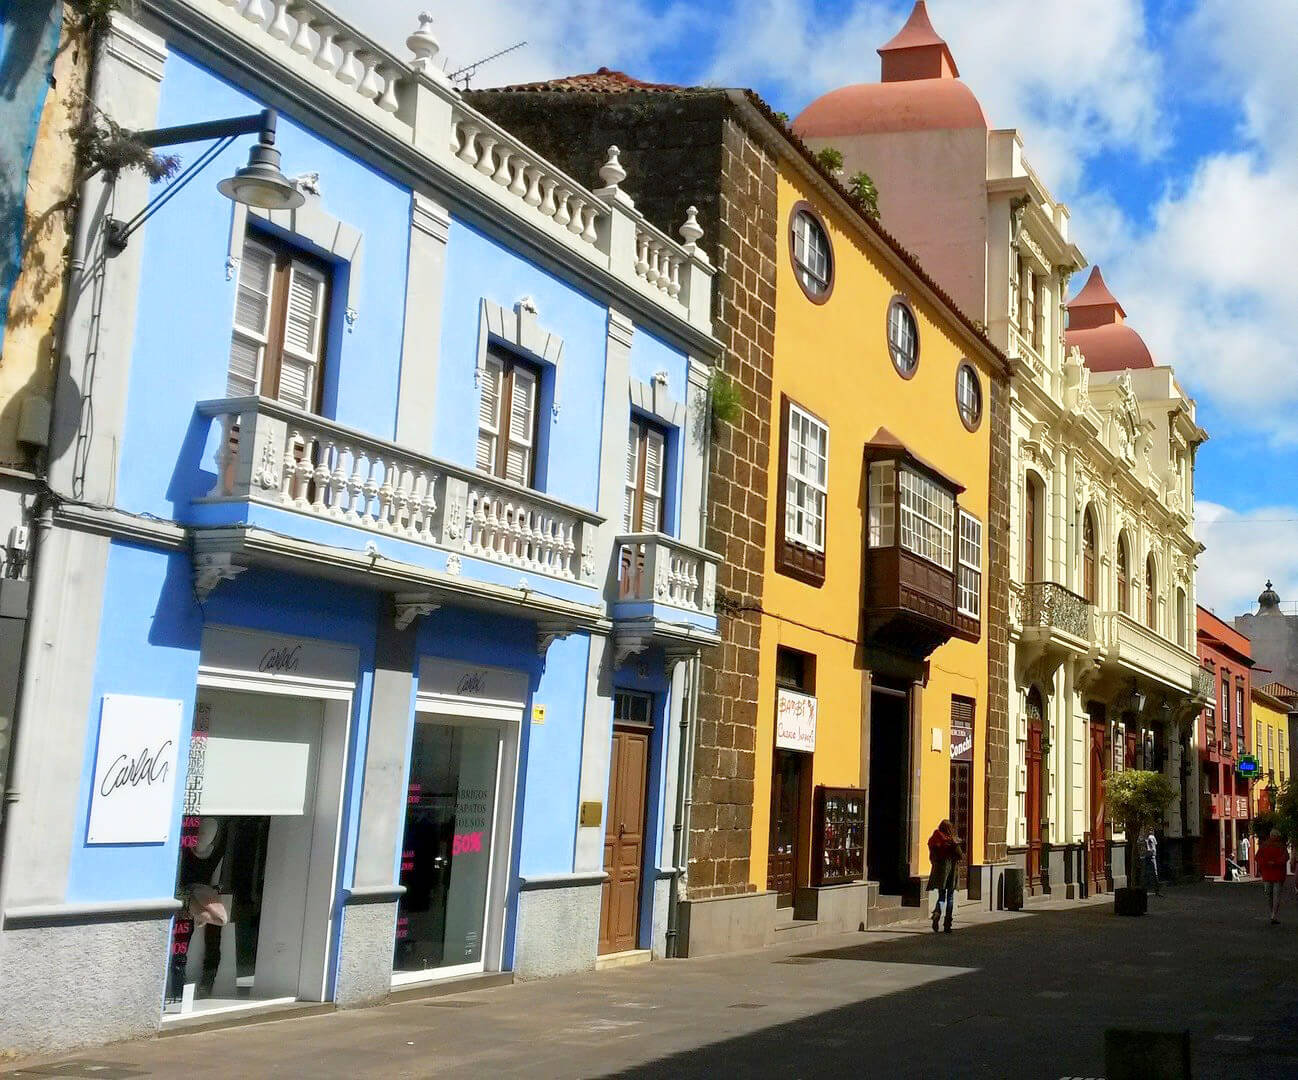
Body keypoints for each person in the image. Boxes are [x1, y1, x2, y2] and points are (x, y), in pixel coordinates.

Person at [927, 819, 963, 934]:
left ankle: (936, 915)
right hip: (951, 872)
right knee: (950, 898)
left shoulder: (935, 839)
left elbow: (932, 856)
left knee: (941, 897)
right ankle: (947, 924)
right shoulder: (952, 841)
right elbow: (960, 855)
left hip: (939, 872)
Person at [1256, 829, 1288, 924]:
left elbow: (1258, 857)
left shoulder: (1264, 845)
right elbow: (1285, 857)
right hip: (1277, 874)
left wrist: (1267, 863)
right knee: (1275, 895)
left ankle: (1273, 914)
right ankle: (1273, 914)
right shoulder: (1281, 846)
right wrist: (1275, 863)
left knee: (1269, 895)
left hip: (1268, 873)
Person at [1143, 829, 1162, 896]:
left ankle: (1156, 890)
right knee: (1149, 873)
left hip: (1150, 856)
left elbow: (1153, 846)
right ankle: (1155, 890)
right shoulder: (1146, 838)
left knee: (1152, 873)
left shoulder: (1151, 837)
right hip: (1148, 856)